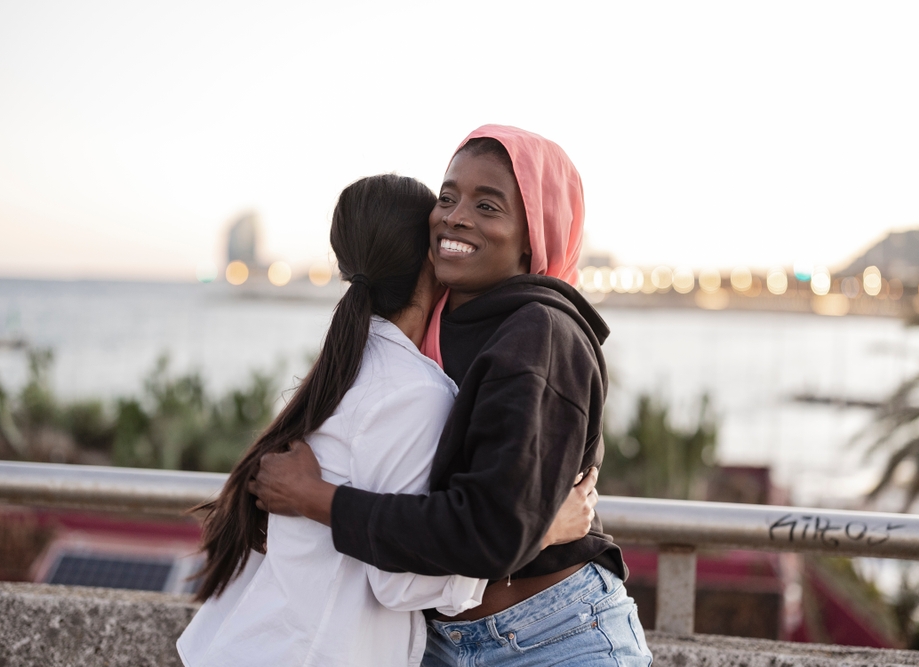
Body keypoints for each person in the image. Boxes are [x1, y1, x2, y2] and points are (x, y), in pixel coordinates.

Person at [251, 125, 653, 666]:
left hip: (554, 638)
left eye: (488, 206)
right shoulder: (434, 329)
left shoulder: (540, 334)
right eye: (447, 197)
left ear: (535, 234)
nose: (454, 216)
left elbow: (487, 531)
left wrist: (316, 499)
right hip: (441, 643)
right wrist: (544, 526)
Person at [176, 174, 598, 667]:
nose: (455, 221)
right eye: (444, 207)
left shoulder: (342, 369)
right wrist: (542, 530)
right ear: (430, 256)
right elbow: (398, 586)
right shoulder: (415, 392)